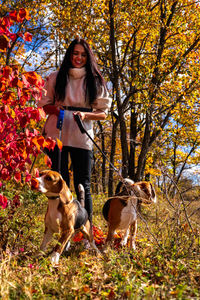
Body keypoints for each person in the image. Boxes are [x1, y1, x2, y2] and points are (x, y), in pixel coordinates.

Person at [38, 37, 111, 224]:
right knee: (59, 184)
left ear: (89, 57)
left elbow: (103, 113)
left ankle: (86, 228)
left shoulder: (95, 81)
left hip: (82, 135)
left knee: (83, 184)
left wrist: (86, 116)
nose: (79, 58)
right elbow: (44, 104)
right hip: (57, 135)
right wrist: (57, 110)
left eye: (83, 55)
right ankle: (63, 228)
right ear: (69, 54)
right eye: (75, 53)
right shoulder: (55, 77)